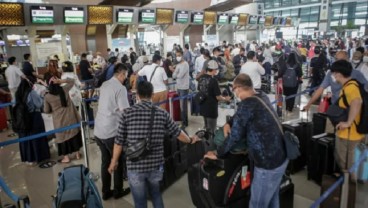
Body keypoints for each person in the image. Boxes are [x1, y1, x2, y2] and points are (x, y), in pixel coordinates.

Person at [108, 81, 200, 208]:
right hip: (155, 165)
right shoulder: (162, 113)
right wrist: (190, 139)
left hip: (135, 166)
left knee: (140, 202)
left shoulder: (126, 114)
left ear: (137, 95)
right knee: (155, 194)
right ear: (152, 94)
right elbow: (178, 133)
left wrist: (114, 161)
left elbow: (118, 141)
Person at [205, 73, 288, 208]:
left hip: (267, 163)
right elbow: (240, 116)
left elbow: (235, 136)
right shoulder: (261, 96)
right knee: (272, 200)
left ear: (237, 89)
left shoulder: (247, 104)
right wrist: (229, 123)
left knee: (257, 204)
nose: (236, 94)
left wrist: (218, 153)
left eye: (234, 91)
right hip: (281, 158)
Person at [94, 63, 131, 200]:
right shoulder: (120, 88)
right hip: (111, 131)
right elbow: (125, 111)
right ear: (121, 74)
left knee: (105, 161)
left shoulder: (104, 84)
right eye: (125, 76)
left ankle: (105, 191)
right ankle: (117, 191)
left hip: (99, 130)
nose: (125, 79)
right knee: (118, 161)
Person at [330, 60, 364, 178]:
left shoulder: (350, 88)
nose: (333, 76)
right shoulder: (352, 84)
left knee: (347, 164)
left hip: (349, 134)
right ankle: (346, 185)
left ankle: (348, 192)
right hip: (351, 133)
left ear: (338, 74)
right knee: (348, 163)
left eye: (333, 73)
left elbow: (357, 101)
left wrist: (348, 122)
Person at [303, 51, 368, 111]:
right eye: (336, 59)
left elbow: (365, 87)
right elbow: (320, 89)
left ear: (347, 60)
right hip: (336, 105)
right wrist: (309, 104)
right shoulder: (331, 73)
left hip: (351, 107)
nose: (338, 62)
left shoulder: (356, 73)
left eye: (341, 60)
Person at [44, 77, 82, 163]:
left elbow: (46, 110)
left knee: (63, 138)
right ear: (58, 83)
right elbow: (72, 81)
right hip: (70, 117)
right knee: (73, 134)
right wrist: (61, 81)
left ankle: (66, 157)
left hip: (59, 120)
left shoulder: (47, 96)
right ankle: (77, 153)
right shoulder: (64, 89)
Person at [198, 60, 231, 150]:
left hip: (203, 107)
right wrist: (226, 99)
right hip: (211, 109)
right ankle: (211, 150)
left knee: (206, 128)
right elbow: (218, 97)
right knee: (212, 130)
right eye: (216, 69)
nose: (217, 71)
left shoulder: (201, 79)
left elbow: (200, 91)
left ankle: (205, 147)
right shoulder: (213, 81)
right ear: (213, 70)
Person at [16, 79, 50, 165]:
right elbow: (39, 104)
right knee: (37, 137)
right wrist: (42, 96)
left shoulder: (18, 94)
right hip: (34, 117)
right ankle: (39, 156)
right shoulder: (31, 92)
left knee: (28, 139)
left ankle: (29, 158)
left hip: (23, 119)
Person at [171, 49, 190, 127]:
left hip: (184, 87)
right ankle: (182, 121)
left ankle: (185, 123)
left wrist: (175, 72)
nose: (177, 57)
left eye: (179, 55)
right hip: (178, 87)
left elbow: (179, 75)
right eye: (176, 56)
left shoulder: (185, 64)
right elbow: (173, 76)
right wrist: (175, 73)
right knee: (180, 106)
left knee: (183, 107)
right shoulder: (178, 65)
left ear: (182, 55)